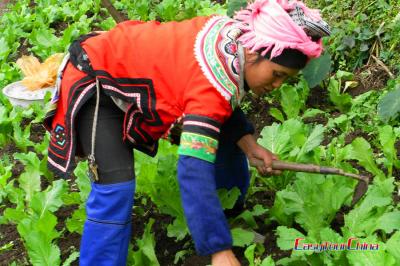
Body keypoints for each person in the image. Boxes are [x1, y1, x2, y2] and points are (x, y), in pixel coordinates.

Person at [43, 0, 330, 265]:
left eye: (286, 79)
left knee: (225, 141)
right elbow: (192, 169)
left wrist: (249, 144)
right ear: (254, 50)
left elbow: (223, 104)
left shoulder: (236, 41)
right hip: (96, 79)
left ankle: (228, 219)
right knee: (115, 187)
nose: (277, 85)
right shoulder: (211, 83)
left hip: (132, 67)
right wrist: (217, 249)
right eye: (277, 73)